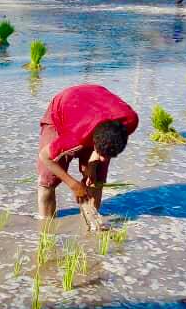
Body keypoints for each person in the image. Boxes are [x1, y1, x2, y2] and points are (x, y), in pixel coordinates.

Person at [36, 84, 139, 227]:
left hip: (94, 101)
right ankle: (46, 228)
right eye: (101, 153)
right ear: (93, 142)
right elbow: (44, 156)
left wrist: (92, 165)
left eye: (111, 155)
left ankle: (92, 228)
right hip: (64, 105)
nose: (104, 159)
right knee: (47, 180)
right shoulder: (75, 137)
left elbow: (102, 154)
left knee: (96, 180)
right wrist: (73, 185)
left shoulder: (131, 121)